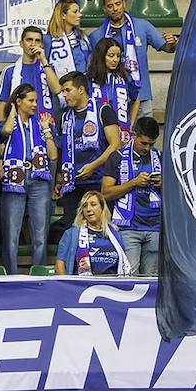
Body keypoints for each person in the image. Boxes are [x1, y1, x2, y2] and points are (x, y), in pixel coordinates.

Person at [0, 82, 57, 275]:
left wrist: (47, 131)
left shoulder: (41, 123)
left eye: (36, 101)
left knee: (40, 235)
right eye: (30, 101)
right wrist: (12, 113)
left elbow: (53, 155)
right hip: (16, 179)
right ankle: (10, 278)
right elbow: (4, 133)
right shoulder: (7, 124)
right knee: (11, 235)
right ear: (18, 101)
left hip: (39, 180)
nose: (34, 105)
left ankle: (38, 274)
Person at [90, 0, 176, 117]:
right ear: (104, 9)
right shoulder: (97, 36)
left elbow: (167, 49)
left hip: (141, 95)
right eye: (110, 6)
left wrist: (172, 42)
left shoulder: (142, 26)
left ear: (124, 3)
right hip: (112, 97)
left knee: (144, 136)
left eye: (117, 4)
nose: (115, 8)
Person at [57, 70, 125, 226]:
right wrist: (59, 177)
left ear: (81, 89)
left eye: (68, 90)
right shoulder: (64, 117)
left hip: (99, 182)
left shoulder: (103, 110)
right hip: (72, 185)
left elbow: (116, 145)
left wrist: (93, 166)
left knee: (101, 229)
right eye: (63, 92)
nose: (64, 95)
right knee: (73, 230)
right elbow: (63, 148)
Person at [101, 114, 162, 275]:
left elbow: (176, 193)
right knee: (128, 279)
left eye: (152, 144)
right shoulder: (117, 157)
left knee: (151, 281)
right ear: (134, 135)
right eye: (143, 143)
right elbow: (105, 193)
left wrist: (164, 185)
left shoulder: (161, 158)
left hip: (155, 227)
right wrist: (132, 183)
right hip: (128, 228)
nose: (147, 148)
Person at [0, 24, 65, 125]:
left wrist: (43, 60)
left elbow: (57, 90)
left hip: (45, 127)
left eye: (37, 41)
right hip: (19, 128)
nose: (33, 44)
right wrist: (2, 133)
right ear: (21, 43)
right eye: (29, 40)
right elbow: (3, 103)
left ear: (41, 45)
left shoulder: (48, 69)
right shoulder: (10, 71)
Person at [55, 189, 131, 275]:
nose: (88, 209)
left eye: (93, 204)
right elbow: (60, 263)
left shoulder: (116, 233)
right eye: (85, 206)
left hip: (112, 286)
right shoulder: (71, 234)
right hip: (83, 286)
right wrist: (66, 286)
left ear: (102, 207)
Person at [87, 37, 140, 143]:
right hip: (97, 133)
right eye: (111, 56)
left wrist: (131, 123)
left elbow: (136, 99)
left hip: (122, 133)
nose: (115, 59)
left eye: (118, 56)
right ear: (101, 56)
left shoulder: (126, 76)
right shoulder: (88, 78)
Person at [45, 0, 92, 77]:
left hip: (82, 85)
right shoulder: (48, 40)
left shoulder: (83, 38)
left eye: (79, 11)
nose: (80, 15)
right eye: (75, 12)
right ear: (63, 15)